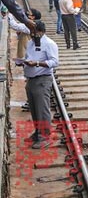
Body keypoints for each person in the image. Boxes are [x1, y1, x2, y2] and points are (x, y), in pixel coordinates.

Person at [22, 21, 59, 149]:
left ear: (41, 31)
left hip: (42, 79)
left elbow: (54, 62)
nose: (32, 34)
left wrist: (37, 63)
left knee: (42, 109)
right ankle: (38, 132)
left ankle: (44, 136)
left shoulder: (49, 44)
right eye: (31, 32)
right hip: (31, 79)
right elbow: (29, 57)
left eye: (34, 32)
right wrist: (24, 63)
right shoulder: (30, 43)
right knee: (34, 108)